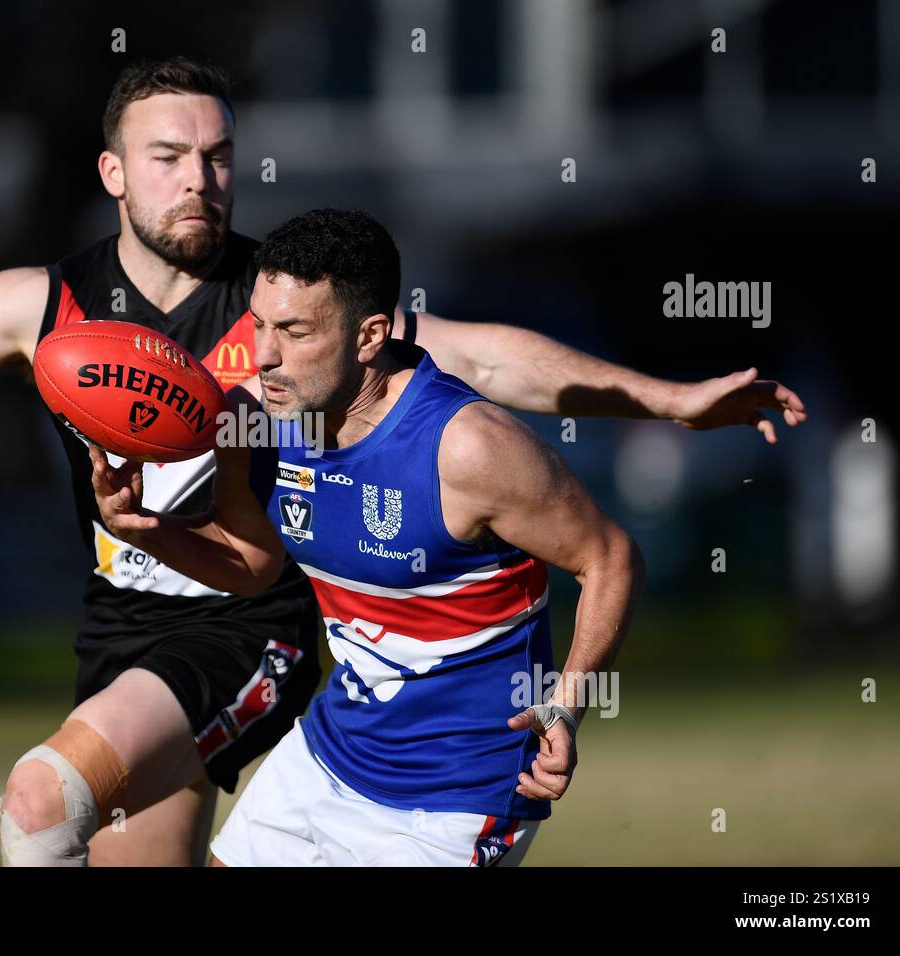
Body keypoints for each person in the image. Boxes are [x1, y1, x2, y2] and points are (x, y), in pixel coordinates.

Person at [0, 58, 796, 867]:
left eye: (219, 156)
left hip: (247, 623)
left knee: (36, 801)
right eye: (169, 156)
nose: (199, 179)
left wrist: (667, 396)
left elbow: (483, 354)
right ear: (112, 174)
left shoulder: (283, 303)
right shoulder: (45, 305)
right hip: (122, 628)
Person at [90, 208, 645, 866]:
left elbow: (610, 559)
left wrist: (568, 704)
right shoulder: (261, 420)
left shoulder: (467, 449)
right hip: (330, 754)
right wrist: (145, 530)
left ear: (369, 335)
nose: (264, 354)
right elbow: (253, 565)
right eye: (259, 324)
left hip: (456, 796)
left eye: (294, 331)